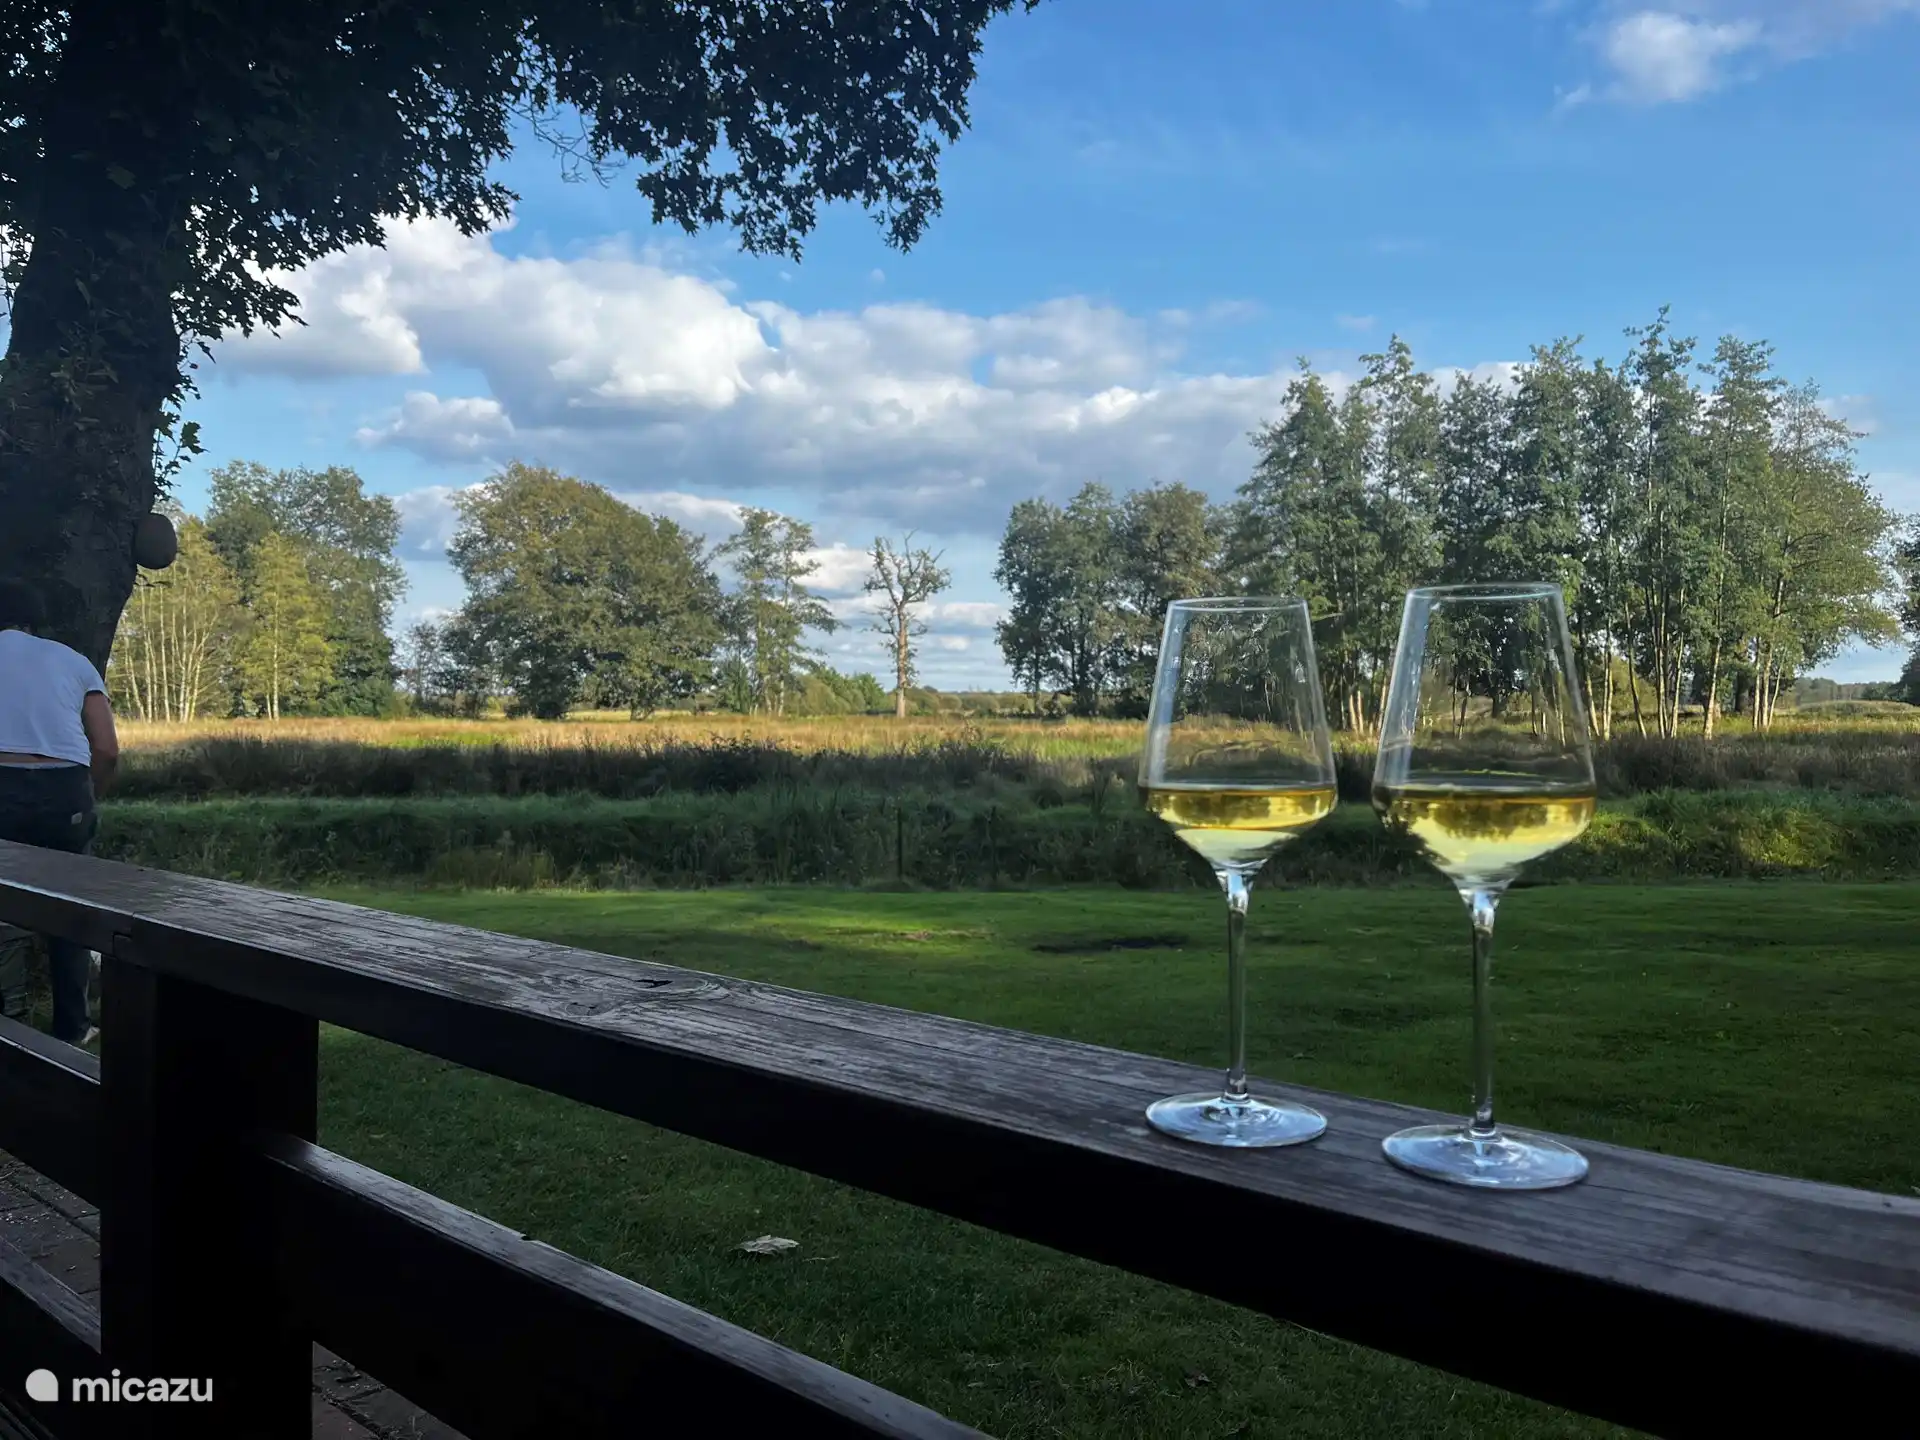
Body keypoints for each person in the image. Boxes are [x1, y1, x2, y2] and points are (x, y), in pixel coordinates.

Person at [0, 579, 118, 1045]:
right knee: (69, 908)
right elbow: (106, 749)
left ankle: (8, 1017)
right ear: (36, 620)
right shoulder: (73, 660)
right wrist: (89, 798)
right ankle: (73, 1028)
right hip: (65, 789)